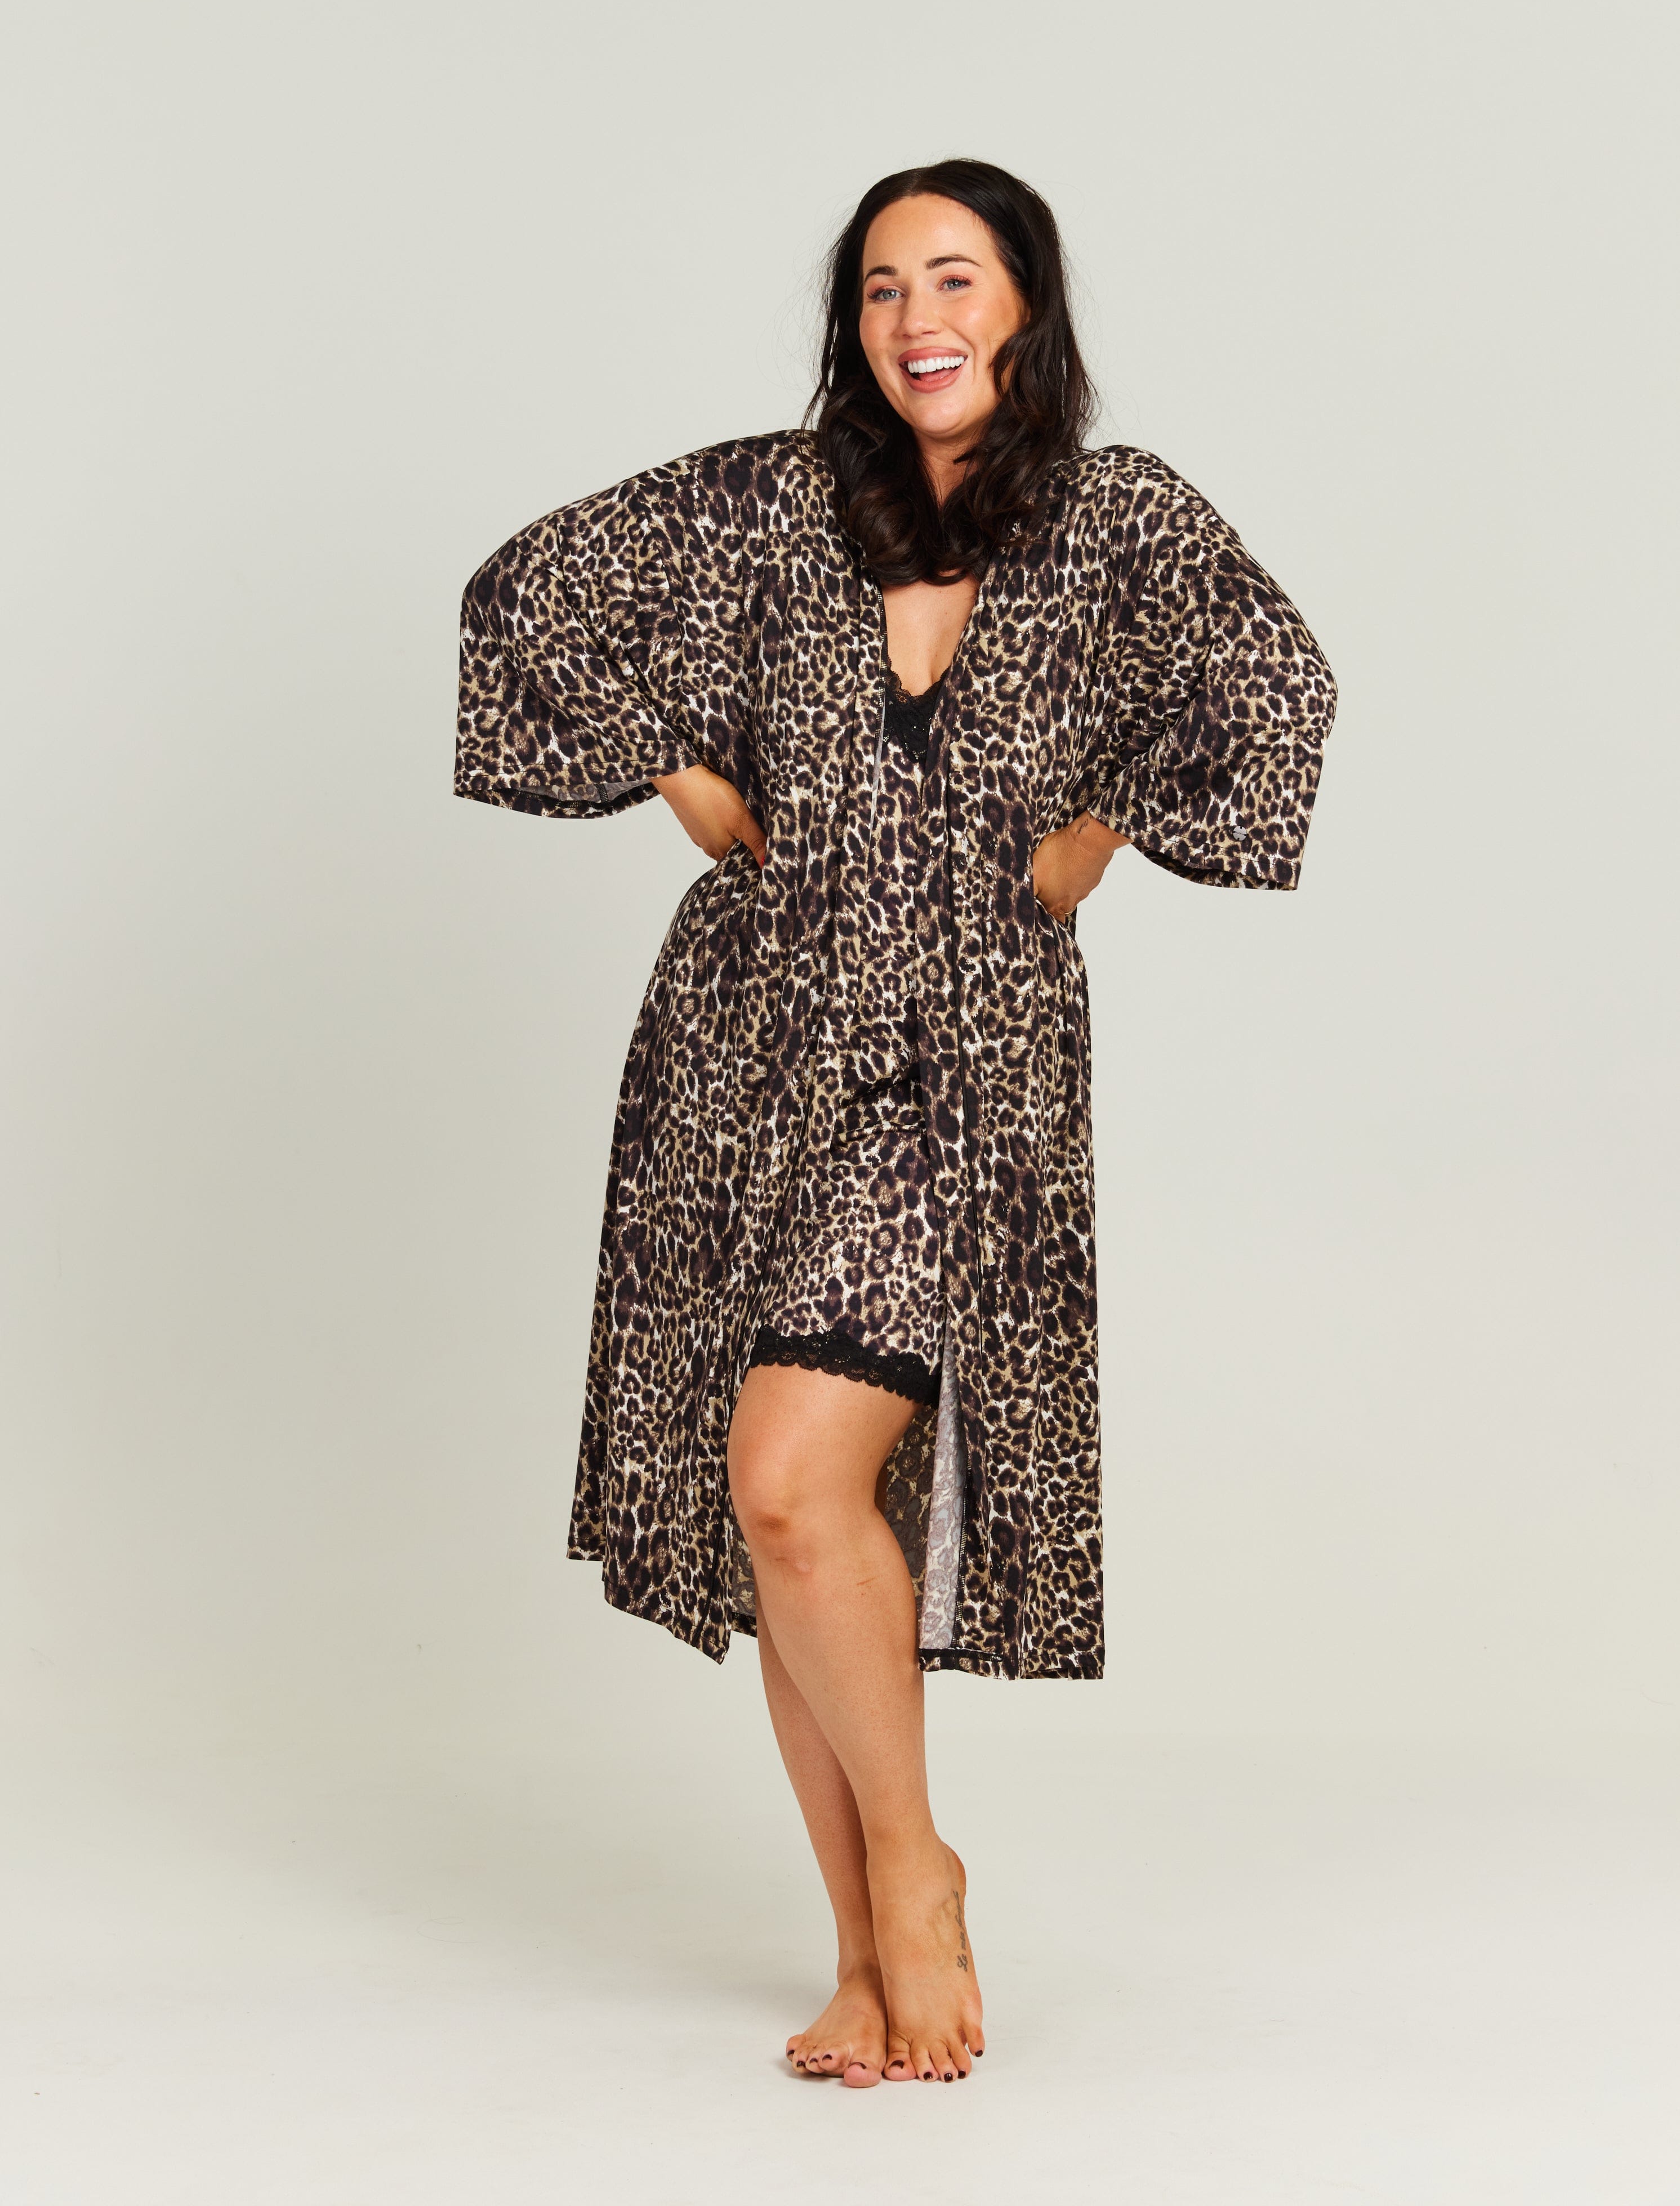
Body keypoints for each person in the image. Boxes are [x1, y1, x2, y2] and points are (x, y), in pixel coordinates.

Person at [454, 159, 1336, 2088]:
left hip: (966, 1073)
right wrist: (676, 766)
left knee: (790, 1475)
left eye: (952, 277)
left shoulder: (1117, 518)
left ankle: (918, 1874)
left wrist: (1097, 833)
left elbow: (1279, 686)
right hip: (750, 1053)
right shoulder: (771, 505)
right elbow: (523, 595)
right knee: (790, 1520)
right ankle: (859, 1955)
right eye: (878, 288)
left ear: (1024, 303)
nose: (914, 318)